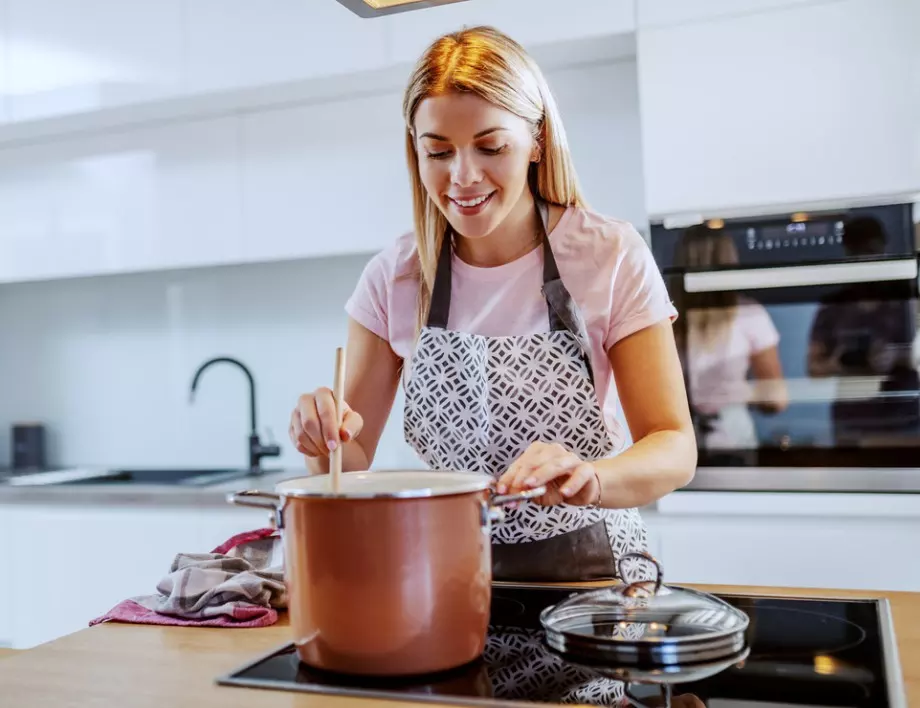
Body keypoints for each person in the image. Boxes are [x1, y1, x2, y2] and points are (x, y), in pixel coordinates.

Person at [288, 26, 696, 582]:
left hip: (594, 578)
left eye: (491, 146)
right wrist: (321, 440)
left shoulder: (608, 254)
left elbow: (672, 445)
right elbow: (350, 459)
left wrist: (591, 477)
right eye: (437, 151)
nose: (462, 177)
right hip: (450, 575)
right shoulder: (395, 277)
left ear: (538, 141)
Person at [672, 225, 788, 450]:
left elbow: (776, 398)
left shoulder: (666, 318)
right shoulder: (669, 319)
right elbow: (776, 399)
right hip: (698, 438)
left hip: (709, 439)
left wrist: (735, 392)